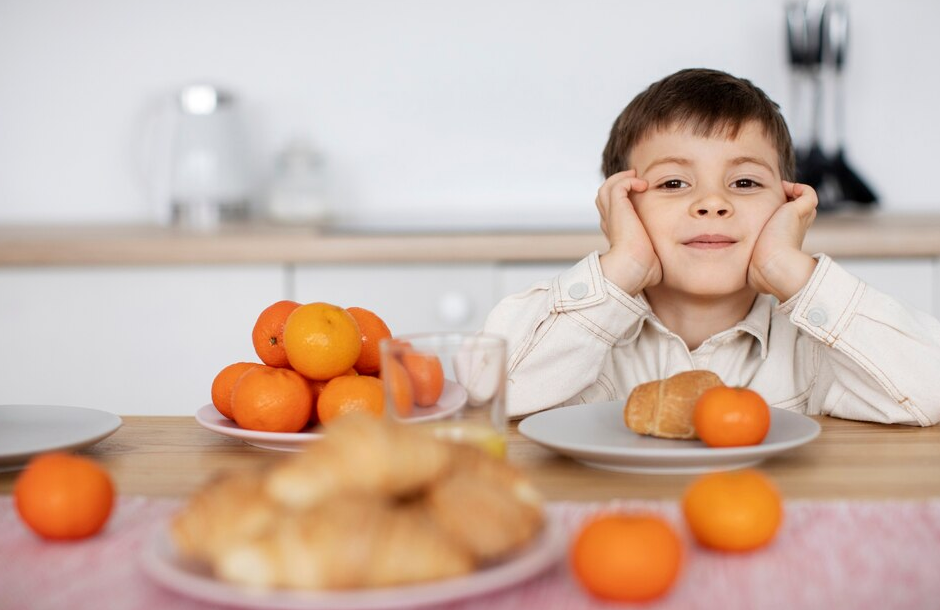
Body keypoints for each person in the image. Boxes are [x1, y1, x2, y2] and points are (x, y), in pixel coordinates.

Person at [483, 68, 940, 426]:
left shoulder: (815, 349)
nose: (712, 203)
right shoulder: (580, 336)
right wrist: (622, 266)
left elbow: (930, 389)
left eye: (744, 182)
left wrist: (790, 269)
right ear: (619, 205)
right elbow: (489, 392)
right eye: (673, 182)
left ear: (787, 203)